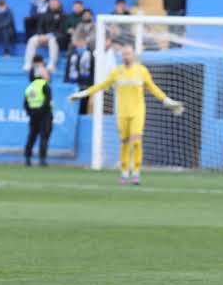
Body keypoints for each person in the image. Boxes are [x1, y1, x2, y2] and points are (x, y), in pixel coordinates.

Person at [68, 45, 184, 184]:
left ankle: (136, 173)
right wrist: (83, 94)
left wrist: (167, 100)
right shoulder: (117, 72)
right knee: (124, 142)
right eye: (123, 54)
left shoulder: (142, 71)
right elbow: (101, 85)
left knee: (136, 141)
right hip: (122, 112)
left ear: (133, 55)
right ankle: (124, 173)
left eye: (128, 54)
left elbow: (153, 88)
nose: (126, 56)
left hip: (138, 111)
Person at [24, 57, 53, 167]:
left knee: (32, 136)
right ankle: (42, 159)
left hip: (33, 115)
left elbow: (25, 103)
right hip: (44, 114)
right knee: (44, 136)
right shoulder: (44, 85)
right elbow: (48, 100)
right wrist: (42, 111)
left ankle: (27, 158)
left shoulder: (29, 87)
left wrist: (31, 112)